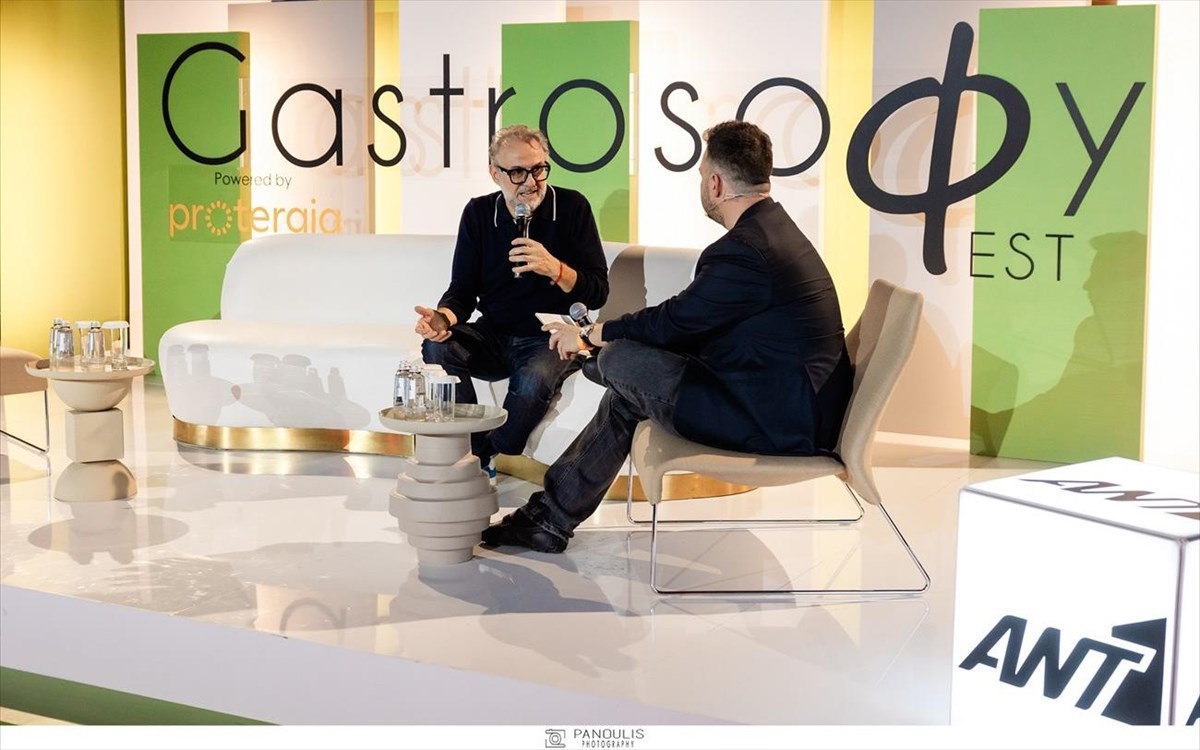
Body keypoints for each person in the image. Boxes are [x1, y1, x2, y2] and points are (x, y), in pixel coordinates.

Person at [481, 120, 853, 553]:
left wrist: (594, 334)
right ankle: (548, 519)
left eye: (701, 174)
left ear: (715, 183)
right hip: (776, 398)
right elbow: (690, 324)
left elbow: (676, 321)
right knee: (626, 378)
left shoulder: (747, 250)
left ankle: (590, 376)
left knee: (621, 362)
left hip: (778, 420)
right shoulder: (770, 230)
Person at [415, 125, 609, 475]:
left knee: (534, 379)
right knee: (437, 348)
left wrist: (556, 269)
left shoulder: (571, 207)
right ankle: (474, 451)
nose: (531, 182)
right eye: (517, 172)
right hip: (494, 333)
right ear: (495, 173)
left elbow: (597, 291)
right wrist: (442, 319)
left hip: (552, 336)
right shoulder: (478, 213)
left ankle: (488, 452)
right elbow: (462, 290)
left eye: (539, 169)